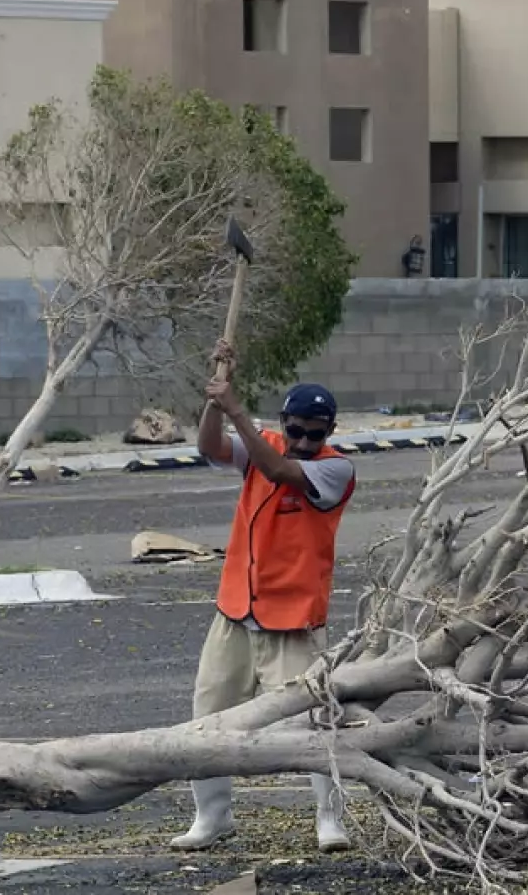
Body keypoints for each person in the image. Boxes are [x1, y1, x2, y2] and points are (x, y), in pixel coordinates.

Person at [168, 339, 356, 853]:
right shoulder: (262, 444)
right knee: (207, 717)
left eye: (313, 434)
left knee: (314, 722)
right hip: (235, 613)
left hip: (294, 621)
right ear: (284, 421)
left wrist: (236, 409)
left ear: (328, 433)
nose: (300, 440)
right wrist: (216, 397)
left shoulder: (335, 469)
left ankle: (329, 819)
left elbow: (277, 470)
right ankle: (213, 817)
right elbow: (210, 446)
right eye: (293, 430)